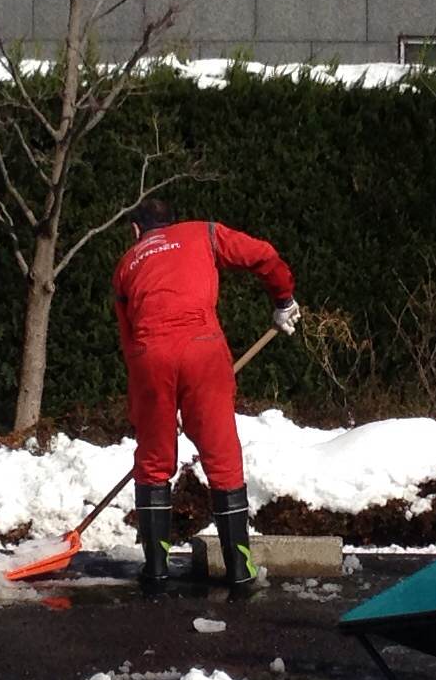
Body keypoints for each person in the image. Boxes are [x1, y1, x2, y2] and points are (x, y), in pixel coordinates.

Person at [110, 201, 299, 595]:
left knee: (154, 460)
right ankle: (240, 572)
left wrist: (153, 408)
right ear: (171, 222)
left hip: (150, 357)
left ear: (135, 230)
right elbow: (263, 255)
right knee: (221, 453)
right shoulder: (203, 232)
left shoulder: (127, 264)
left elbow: (130, 344)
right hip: (202, 348)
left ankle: (156, 572)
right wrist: (283, 299)